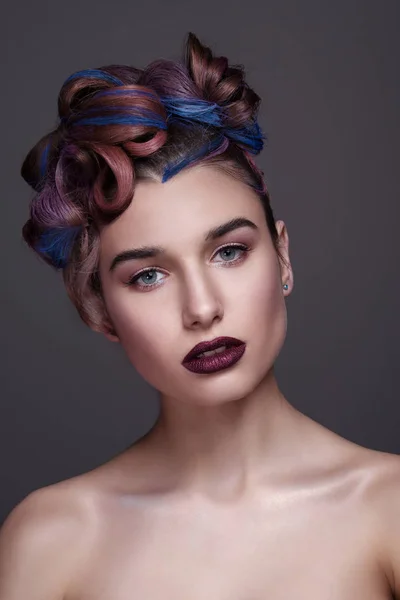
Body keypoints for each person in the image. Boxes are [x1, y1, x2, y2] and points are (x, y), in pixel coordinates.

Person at [0, 32, 399, 600]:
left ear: (282, 256)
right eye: (148, 276)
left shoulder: (389, 510)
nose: (203, 308)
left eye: (229, 252)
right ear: (99, 311)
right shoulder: (51, 539)